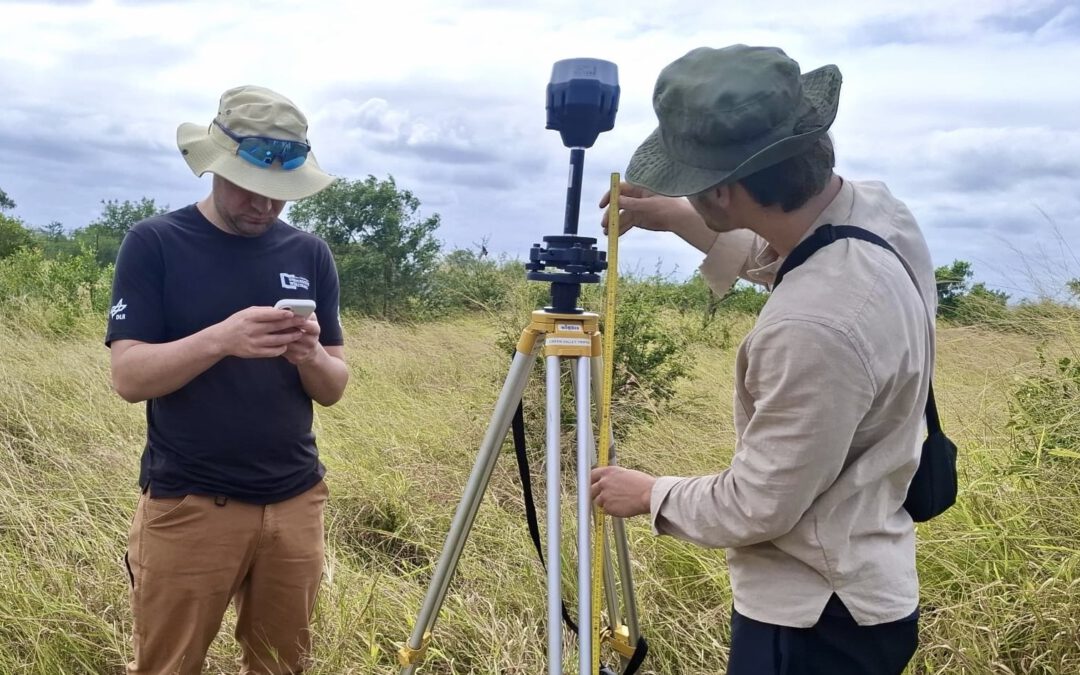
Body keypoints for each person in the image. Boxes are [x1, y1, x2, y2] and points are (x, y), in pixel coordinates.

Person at [590, 45, 938, 674]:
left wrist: (650, 494)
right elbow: (789, 248)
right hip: (866, 590)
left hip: (815, 619)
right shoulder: (879, 214)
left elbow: (758, 504)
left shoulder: (814, 326)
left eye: (691, 183)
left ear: (722, 192)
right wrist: (673, 214)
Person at [106, 85, 349, 674]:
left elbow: (335, 386)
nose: (265, 206)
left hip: (295, 503)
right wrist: (221, 339)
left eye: (279, 196)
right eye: (250, 187)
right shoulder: (156, 243)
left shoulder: (309, 253)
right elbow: (129, 377)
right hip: (190, 505)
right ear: (215, 166)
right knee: (169, 665)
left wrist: (310, 355)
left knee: (281, 667)